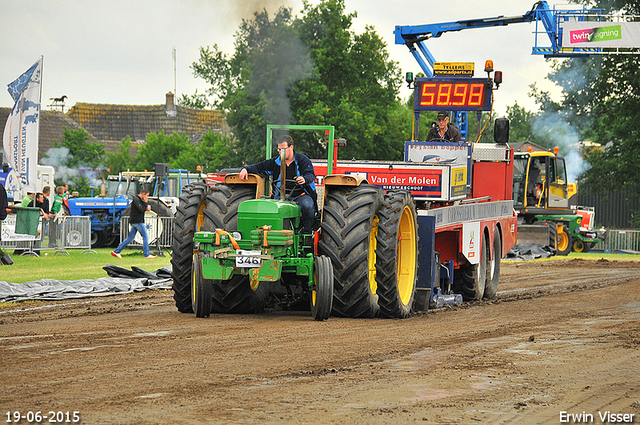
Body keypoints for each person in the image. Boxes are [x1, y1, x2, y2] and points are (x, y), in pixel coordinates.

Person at [239, 135, 317, 236]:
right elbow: (260, 167)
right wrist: (246, 169)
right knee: (267, 207)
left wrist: (304, 179)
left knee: (307, 206)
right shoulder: (275, 162)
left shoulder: (303, 160)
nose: (281, 152)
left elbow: (310, 174)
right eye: (279, 150)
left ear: (291, 147)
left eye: (283, 149)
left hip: (300, 195)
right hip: (279, 197)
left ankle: (307, 235)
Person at [111, 189, 157, 259]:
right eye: (146, 196)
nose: (147, 197)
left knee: (130, 237)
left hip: (135, 221)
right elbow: (141, 209)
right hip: (137, 221)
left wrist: (145, 207)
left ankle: (117, 251)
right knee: (145, 236)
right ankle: (146, 254)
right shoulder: (136, 200)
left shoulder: (137, 200)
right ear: (143, 194)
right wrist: (145, 202)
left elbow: (141, 208)